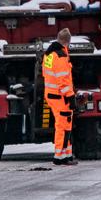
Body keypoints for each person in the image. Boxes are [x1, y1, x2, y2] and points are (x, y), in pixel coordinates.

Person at [41, 29, 78, 166]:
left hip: (52, 94)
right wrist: (70, 96)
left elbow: (46, 74)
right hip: (60, 95)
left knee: (65, 124)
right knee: (63, 125)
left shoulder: (49, 54)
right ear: (67, 42)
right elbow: (63, 79)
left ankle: (66, 155)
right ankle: (59, 156)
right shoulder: (61, 56)